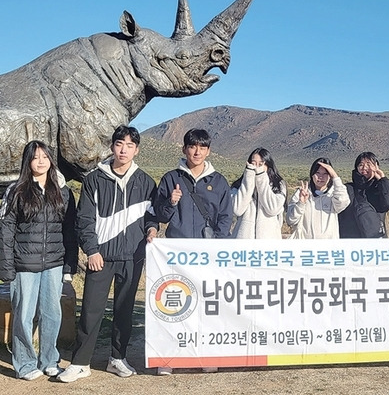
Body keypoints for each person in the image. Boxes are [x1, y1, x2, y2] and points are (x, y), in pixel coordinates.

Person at [57, 125, 158, 383]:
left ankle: (117, 358)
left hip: (132, 257)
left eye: (129, 145)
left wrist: (152, 228)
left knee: (123, 311)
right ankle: (80, 363)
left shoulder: (146, 182)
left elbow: (151, 217)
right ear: (112, 146)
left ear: (137, 150)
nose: (123, 150)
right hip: (100, 257)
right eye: (119, 144)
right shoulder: (94, 179)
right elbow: (84, 220)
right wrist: (91, 250)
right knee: (91, 310)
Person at [152, 128, 231, 375]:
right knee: (174, 304)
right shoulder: (170, 178)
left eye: (202, 147)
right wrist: (171, 201)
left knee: (206, 306)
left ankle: (204, 355)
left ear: (208, 150)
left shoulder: (218, 181)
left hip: (207, 254)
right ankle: (169, 358)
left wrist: (216, 244)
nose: (197, 152)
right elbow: (160, 215)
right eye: (193, 146)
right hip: (177, 253)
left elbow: (226, 216)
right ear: (184, 148)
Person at [0, 141, 78, 381]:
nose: (41, 161)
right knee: (23, 315)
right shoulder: (16, 191)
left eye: (45, 156)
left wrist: (69, 265)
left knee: (52, 313)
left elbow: (69, 231)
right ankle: (24, 364)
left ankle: (49, 360)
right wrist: (6, 266)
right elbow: (6, 230)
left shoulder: (63, 191)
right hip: (24, 264)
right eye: (36, 157)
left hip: (54, 263)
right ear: (28, 162)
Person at [338, 151, 389, 238]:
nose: (364, 168)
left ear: (376, 167)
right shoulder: (348, 188)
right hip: (351, 239)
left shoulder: (380, 188)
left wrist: (383, 180)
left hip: (375, 240)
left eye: (369, 164)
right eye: (361, 165)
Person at [287, 157, 350, 239]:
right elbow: (290, 220)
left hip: (328, 248)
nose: (321, 177)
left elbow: (342, 203)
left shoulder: (333, 194)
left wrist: (335, 176)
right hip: (305, 247)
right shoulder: (301, 193)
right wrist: (301, 203)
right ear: (312, 174)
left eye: (325, 174)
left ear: (330, 176)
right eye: (318, 173)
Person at [231, 147, 286, 239]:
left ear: (268, 166)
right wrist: (248, 181)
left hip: (268, 244)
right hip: (244, 245)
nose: (256, 167)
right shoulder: (238, 185)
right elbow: (237, 210)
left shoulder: (279, 185)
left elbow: (273, 209)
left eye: (261, 164)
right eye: (253, 163)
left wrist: (261, 179)